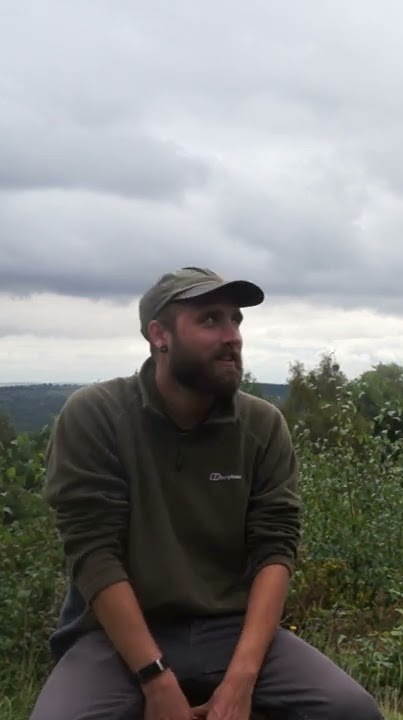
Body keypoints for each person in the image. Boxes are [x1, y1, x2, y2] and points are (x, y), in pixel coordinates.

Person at [29, 267, 383, 720]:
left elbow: (276, 548)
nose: (232, 336)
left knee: (352, 711)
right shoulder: (96, 416)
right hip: (115, 637)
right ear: (160, 335)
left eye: (235, 320)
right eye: (210, 321)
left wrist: (242, 679)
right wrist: (155, 679)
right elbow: (94, 553)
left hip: (231, 629)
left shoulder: (262, 425)